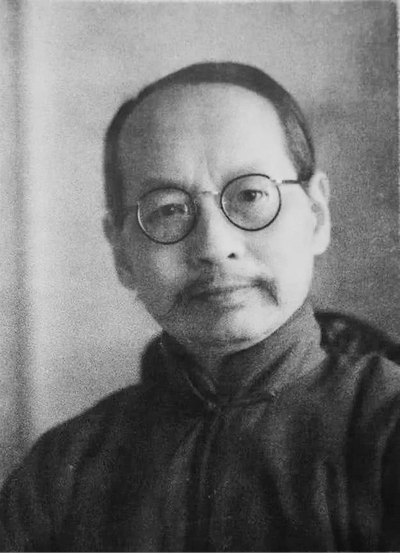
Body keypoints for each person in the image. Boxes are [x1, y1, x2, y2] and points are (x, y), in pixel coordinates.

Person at [0, 61, 399, 552]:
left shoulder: (386, 428)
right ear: (121, 252)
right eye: (168, 209)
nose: (214, 246)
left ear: (316, 215)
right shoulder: (61, 473)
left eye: (251, 194)